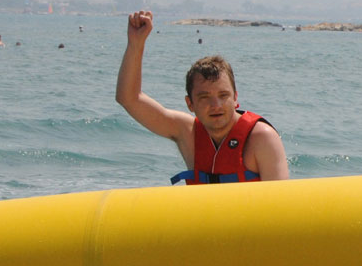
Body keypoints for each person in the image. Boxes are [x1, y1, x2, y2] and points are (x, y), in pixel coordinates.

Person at [115, 10, 288, 184]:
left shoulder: (261, 138)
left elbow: (279, 204)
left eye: (223, 95)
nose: (216, 105)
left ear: (235, 98)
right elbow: (129, 99)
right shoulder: (187, 133)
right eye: (204, 97)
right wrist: (136, 44)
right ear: (190, 103)